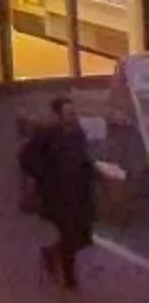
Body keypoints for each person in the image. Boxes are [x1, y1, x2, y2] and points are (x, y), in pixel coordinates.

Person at [21, 97, 100, 290]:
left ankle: (50, 254)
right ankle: (69, 276)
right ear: (59, 115)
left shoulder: (78, 133)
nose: (73, 116)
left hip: (80, 191)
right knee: (69, 233)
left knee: (83, 235)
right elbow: (26, 157)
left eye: (74, 112)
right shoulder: (47, 134)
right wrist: (45, 175)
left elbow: (83, 157)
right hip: (58, 193)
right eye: (68, 113)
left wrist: (93, 170)